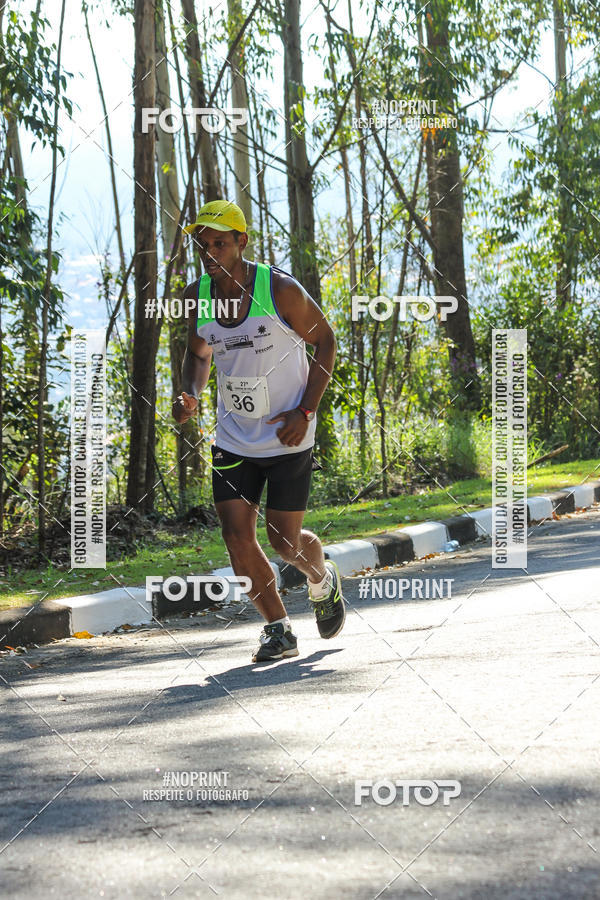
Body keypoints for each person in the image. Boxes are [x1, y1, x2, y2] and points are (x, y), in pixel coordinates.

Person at [172, 200, 346, 662]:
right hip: (234, 437)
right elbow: (199, 354)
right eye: (203, 245)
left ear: (241, 242)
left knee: (284, 541)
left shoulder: (279, 289)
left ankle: (321, 577)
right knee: (236, 535)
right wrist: (190, 393)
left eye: (220, 243)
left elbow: (326, 341)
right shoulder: (197, 295)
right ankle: (278, 628)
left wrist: (305, 411)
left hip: (289, 432)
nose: (210, 252)